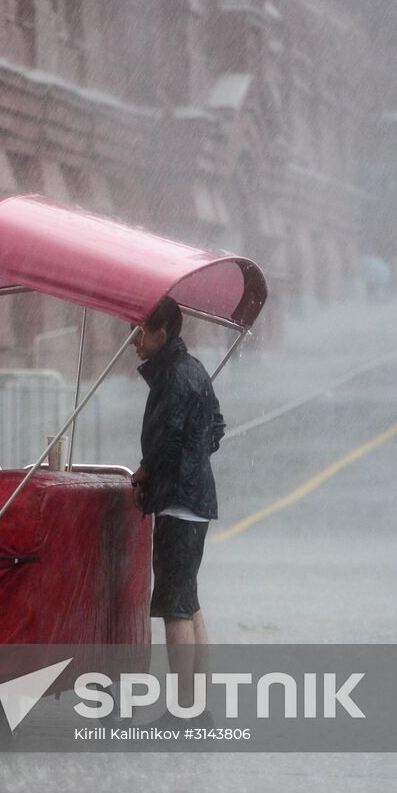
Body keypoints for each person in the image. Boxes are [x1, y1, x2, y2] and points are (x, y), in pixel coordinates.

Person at [129, 297, 225, 719]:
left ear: (161, 334)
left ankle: (185, 707)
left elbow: (167, 438)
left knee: (174, 607)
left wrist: (149, 472)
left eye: (141, 332)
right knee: (188, 600)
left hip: (179, 503)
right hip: (196, 498)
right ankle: (197, 703)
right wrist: (194, 457)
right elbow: (216, 427)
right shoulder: (195, 370)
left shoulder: (172, 375)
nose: (135, 341)